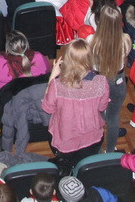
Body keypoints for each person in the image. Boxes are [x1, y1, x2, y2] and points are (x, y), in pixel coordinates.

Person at [41, 39, 109, 175]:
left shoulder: (57, 85)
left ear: (68, 59)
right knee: (85, 170)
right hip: (93, 139)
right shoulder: (101, 81)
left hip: (65, 141)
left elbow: (47, 108)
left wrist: (52, 77)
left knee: (66, 169)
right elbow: (102, 107)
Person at [92, 5, 133, 152]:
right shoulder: (126, 40)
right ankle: (110, 150)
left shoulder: (93, 41)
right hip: (118, 79)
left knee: (95, 116)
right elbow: (126, 59)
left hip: (98, 80)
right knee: (113, 118)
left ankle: (96, 150)